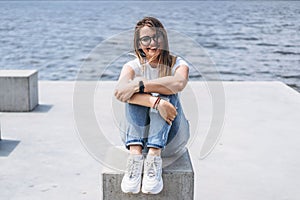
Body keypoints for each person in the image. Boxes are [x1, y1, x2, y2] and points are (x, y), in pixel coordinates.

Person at [114, 16, 190, 195]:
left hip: (172, 139)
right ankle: (135, 158)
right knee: (135, 88)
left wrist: (139, 86)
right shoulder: (132, 66)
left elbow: (178, 83)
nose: (152, 43)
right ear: (139, 43)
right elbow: (119, 92)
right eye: (146, 39)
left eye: (157, 37)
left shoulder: (178, 64)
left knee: (162, 87)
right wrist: (156, 103)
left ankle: (154, 158)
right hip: (138, 141)